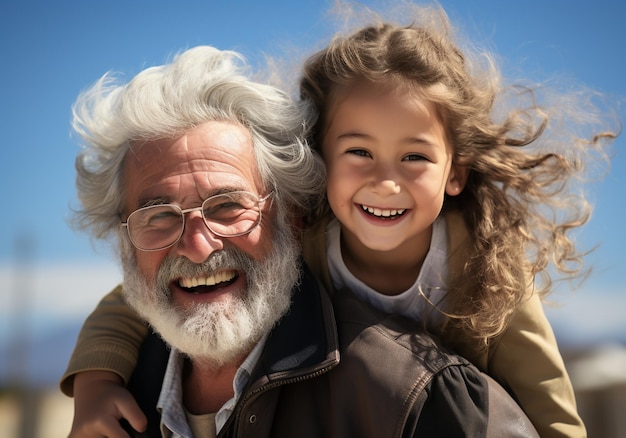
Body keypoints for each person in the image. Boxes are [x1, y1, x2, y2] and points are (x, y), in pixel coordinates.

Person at [62, 44, 538, 437]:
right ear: (124, 240)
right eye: (158, 216)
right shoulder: (115, 401)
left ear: (292, 215)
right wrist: (95, 378)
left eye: (228, 207)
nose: (198, 246)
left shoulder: (414, 396)